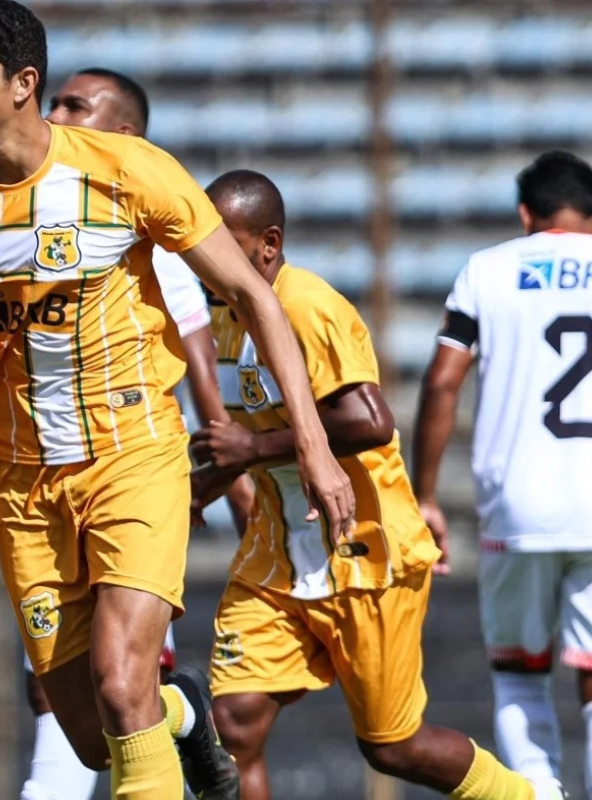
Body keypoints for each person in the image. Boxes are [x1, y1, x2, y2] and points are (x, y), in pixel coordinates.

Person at [0, 4, 355, 799]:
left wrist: (316, 450)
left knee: (123, 688)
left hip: (133, 458)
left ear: (23, 84)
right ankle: (185, 719)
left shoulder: (127, 170)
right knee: (88, 734)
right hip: (21, 483)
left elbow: (253, 294)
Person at [193, 169, 556, 800]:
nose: (207, 254)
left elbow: (369, 419)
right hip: (276, 560)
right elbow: (264, 431)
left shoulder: (305, 306)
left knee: (392, 747)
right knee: (232, 723)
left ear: (268, 245)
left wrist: (249, 448)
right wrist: (209, 479)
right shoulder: (223, 316)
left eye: (224, 239)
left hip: (366, 554)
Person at [412, 150, 592, 797]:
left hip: (518, 505)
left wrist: (426, 495)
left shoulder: (488, 270)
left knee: (519, 672)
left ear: (526, 214)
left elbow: (441, 382)